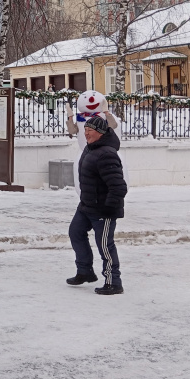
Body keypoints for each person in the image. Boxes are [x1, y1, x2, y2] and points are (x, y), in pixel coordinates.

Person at [66, 115, 128, 295]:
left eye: (89, 130)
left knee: (105, 246)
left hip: (103, 209)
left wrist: (108, 209)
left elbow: (118, 187)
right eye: (85, 130)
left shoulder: (107, 154)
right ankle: (85, 271)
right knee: (75, 232)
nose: (86, 133)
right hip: (86, 205)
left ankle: (113, 282)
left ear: (100, 132)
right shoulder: (90, 148)